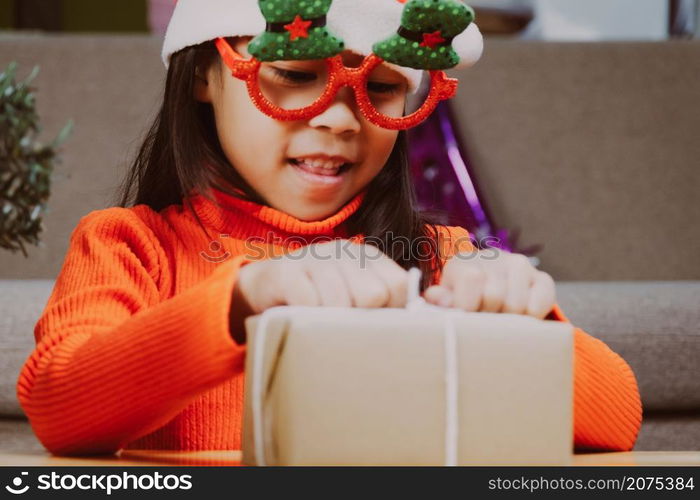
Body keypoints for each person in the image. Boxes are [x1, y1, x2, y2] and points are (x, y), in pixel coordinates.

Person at [16, 0, 641, 456]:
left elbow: (618, 419)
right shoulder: (131, 245)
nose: (342, 120)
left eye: (384, 87)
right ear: (205, 74)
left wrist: (530, 326)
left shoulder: (441, 259)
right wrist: (241, 301)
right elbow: (58, 404)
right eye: (295, 74)